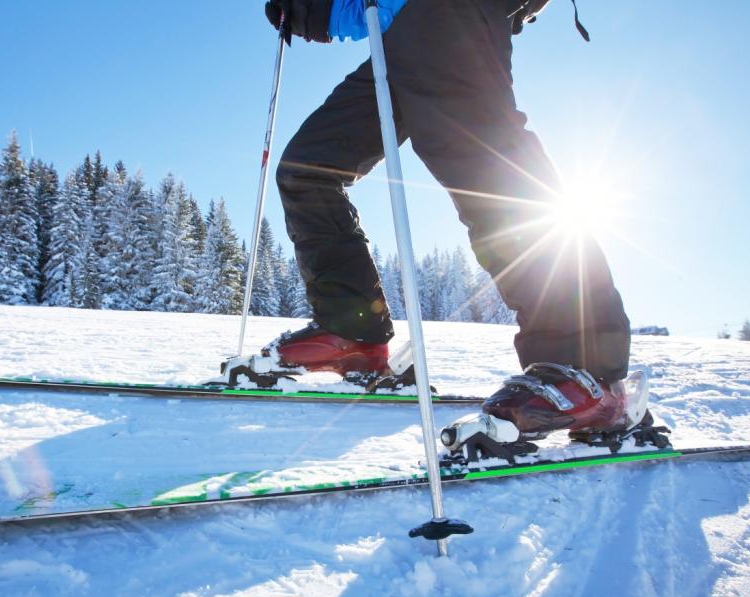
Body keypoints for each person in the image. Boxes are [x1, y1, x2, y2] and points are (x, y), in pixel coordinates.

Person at [260, 0, 639, 438]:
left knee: (484, 162)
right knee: (308, 169)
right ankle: (353, 333)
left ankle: (586, 371)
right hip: (401, 30)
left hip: (452, 13)